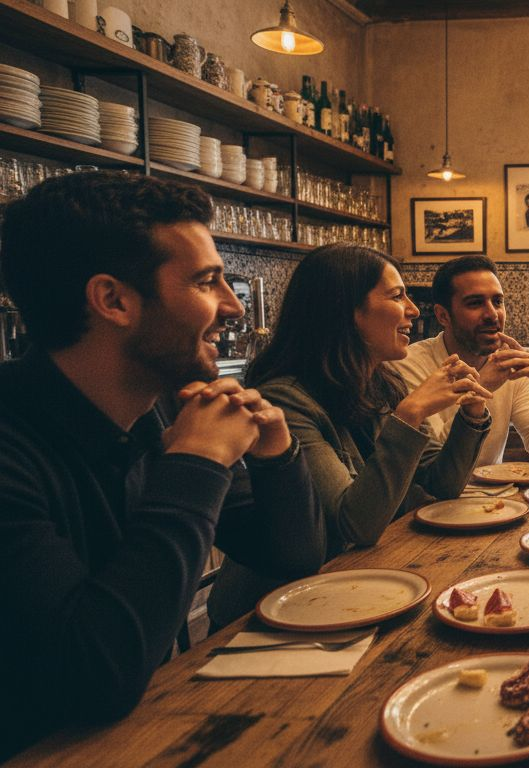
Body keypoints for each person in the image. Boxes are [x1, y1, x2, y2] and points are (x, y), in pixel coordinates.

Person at [0, 171, 323, 760]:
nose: (231, 307)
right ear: (114, 301)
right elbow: (94, 674)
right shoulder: (13, 448)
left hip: (152, 726)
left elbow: (293, 558)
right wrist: (197, 464)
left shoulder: (154, 412)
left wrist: (277, 454)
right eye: (206, 282)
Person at [207, 245, 493, 626]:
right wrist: (409, 415)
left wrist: (472, 415)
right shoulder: (286, 401)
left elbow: (443, 484)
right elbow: (355, 524)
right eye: (397, 296)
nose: (412, 309)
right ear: (346, 312)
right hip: (272, 619)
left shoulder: (379, 383)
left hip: (359, 591)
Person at [388, 255, 529, 467]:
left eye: (498, 301)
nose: (492, 314)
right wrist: (480, 387)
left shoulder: (511, 365)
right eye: (475, 303)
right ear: (443, 316)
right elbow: (434, 467)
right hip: (431, 500)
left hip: (496, 500)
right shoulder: (407, 365)